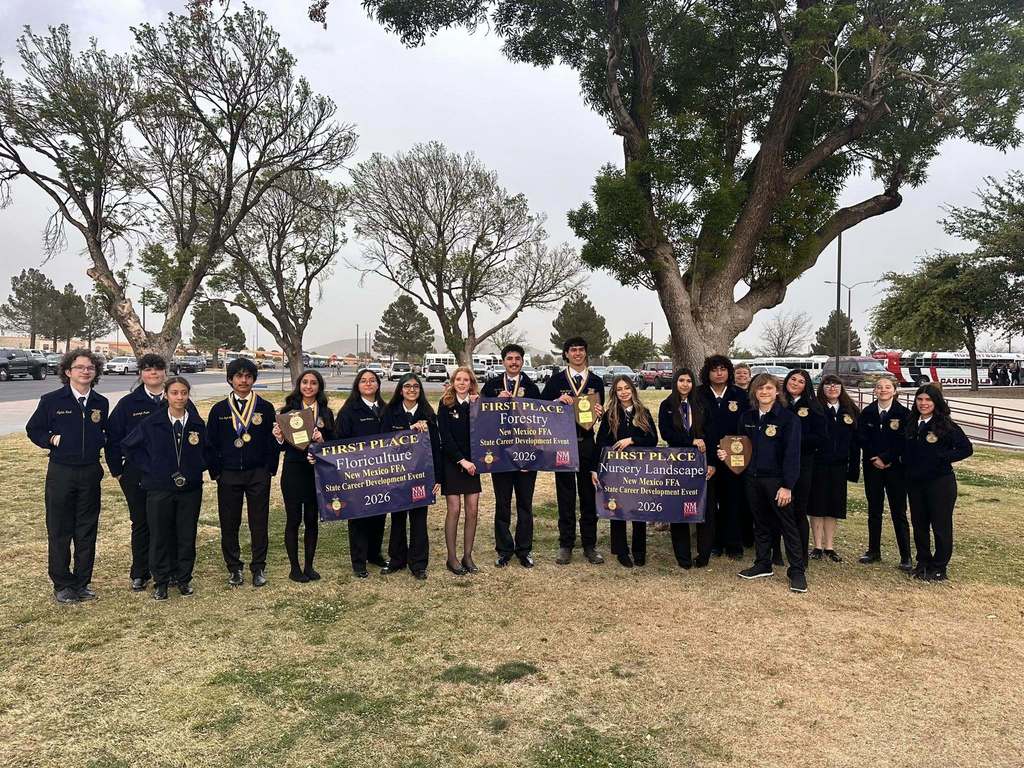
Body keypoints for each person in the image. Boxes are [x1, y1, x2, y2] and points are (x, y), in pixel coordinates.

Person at [26, 348, 109, 604]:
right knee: (60, 529)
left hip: (90, 471)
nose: (85, 371)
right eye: (80, 367)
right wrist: (50, 439)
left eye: (90, 368)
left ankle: (82, 582)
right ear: (68, 372)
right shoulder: (52, 400)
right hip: (61, 472)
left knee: (86, 530)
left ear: (95, 373)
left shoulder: (100, 403)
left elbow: (105, 432)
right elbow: (34, 429)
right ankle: (62, 584)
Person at [121, 376, 208, 600]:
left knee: (186, 534)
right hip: (159, 488)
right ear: (167, 395)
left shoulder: (196, 423)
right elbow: (129, 446)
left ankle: (183, 578)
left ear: (188, 395)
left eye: (183, 393)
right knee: (159, 535)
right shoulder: (152, 422)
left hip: (190, 489)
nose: (179, 397)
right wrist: (150, 467)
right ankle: (160, 580)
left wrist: (196, 467)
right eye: (175, 393)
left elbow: (207, 451)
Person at [719, 373, 806, 593]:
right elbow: (739, 448)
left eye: (768, 388)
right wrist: (726, 455)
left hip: (777, 481)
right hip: (752, 479)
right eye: (760, 389)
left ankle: (796, 571)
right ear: (754, 393)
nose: (764, 392)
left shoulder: (788, 419)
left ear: (777, 391)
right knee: (760, 523)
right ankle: (763, 563)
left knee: (788, 525)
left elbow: (792, 455)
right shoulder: (746, 417)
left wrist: (787, 485)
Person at [206, 357, 279, 588]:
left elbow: (273, 441)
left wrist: (269, 468)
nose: (244, 380)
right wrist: (217, 472)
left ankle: (258, 567)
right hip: (228, 475)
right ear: (230, 379)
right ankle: (234, 568)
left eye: (248, 376)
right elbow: (210, 444)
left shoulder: (265, 408)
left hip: (258, 473)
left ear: (254, 379)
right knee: (229, 522)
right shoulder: (219, 410)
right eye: (239, 376)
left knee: (259, 522)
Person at [106, 353, 172, 591]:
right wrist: (118, 471)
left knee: (167, 522)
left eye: (157, 369)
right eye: (147, 369)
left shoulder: (176, 398)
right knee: (141, 522)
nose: (153, 373)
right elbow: (112, 438)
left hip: (169, 475)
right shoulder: (128, 404)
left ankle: (167, 570)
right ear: (140, 374)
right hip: (136, 474)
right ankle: (140, 572)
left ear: (165, 372)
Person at [541, 336, 606, 565]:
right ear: (566, 354)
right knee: (566, 495)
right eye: (573, 350)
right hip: (563, 444)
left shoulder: (596, 381)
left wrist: (600, 412)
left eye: (581, 350)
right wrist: (557, 401)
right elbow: (541, 410)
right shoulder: (556, 380)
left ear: (586, 353)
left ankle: (590, 544)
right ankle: (566, 544)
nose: (577, 353)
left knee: (589, 495)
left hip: (587, 443)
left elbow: (600, 412)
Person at [903, 383, 973, 581]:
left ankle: (940, 567)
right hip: (915, 482)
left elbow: (966, 448)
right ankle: (923, 563)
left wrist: (942, 457)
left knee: (940, 526)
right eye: (920, 399)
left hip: (940, 483)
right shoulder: (911, 423)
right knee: (919, 524)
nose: (923, 403)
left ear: (936, 402)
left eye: (928, 400)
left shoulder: (945, 425)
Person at [481, 343, 542, 568]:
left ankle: (524, 550)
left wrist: (532, 456)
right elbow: (481, 417)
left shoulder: (532, 387)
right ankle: (504, 550)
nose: (513, 362)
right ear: (503, 361)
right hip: (500, 455)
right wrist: (494, 403)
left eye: (517, 358)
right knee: (502, 504)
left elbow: (541, 424)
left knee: (525, 505)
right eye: (509, 358)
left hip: (527, 457)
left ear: (522, 361)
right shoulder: (491, 386)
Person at [272, 369, 334, 583]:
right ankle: (294, 568)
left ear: (319, 387)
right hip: (293, 471)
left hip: (316, 473)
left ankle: (309, 565)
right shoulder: (287, 410)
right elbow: (278, 448)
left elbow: (333, 443)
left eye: (313, 383)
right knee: (293, 520)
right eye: (305, 382)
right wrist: (278, 438)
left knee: (311, 520)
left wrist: (322, 439)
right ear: (299, 385)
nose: (309, 386)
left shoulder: (326, 413)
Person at [593, 375, 658, 567]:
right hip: (616, 470)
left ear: (633, 390)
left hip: (638, 470)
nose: (624, 392)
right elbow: (601, 443)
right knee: (618, 507)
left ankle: (639, 550)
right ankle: (621, 550)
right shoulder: (610, 414)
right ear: (615, 392)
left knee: (638, 509)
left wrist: (632, 440)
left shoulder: (643, 412)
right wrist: (596, 469)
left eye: (627, 388)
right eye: (619, 389)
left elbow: (653, 440)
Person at [381, 372, 441, 580]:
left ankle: (418, 563)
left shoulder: (428, 413)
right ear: (400, 389)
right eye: (407, 386)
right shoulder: (390, 412)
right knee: (397, 518)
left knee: (418, 519)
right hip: (397, 476)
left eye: (415, 386)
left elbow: (436, 448)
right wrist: (409, 430)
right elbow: (384, 443)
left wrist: (437, 478)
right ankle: (396, 559)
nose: (411, 390)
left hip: (421, 476)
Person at [658, 367, 716, 568]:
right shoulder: (666, 405)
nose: (685, 384)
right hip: (677, 464)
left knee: (705, 509)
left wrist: (712, 463)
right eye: (681, 380)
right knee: (678, 509)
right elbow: (666, 434)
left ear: (693, 384)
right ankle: (683, 557)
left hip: (701, 463)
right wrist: (691, 440)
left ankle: (703, 555)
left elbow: (712, 432)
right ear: (675, 383)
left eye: (688, 381)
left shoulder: (702, 404)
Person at [695, 355, 749, 558]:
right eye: (714, 369)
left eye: (723, 369)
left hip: (733, 457)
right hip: (706, 457)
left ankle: (733, 543)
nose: (719, 373)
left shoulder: (739, 395)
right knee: (711, 501)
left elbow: (746, 429)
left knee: (733, 500)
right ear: (707, 373)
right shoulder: (698, 394)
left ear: (729, 371)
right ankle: (715, 542)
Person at [856, 377, 913, 569]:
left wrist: (887, 458)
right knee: (874, 510)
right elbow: (862, 438)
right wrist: (874, 457)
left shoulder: (904, 414)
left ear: (895, 391)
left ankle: (905, 556)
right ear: (874, 391)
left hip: (895, 469)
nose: (883, 390)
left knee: (899, 512)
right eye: (879, 387)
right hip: (873, 468)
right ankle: (873, 551)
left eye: (887, 387)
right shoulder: (867, 413)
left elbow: (904, 441)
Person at [337, 367, 388, 578]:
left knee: (379, 513)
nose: (368, 384)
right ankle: (359, 562)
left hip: (384, 471)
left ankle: (374, 554)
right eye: (364, 381)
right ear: (357, 386)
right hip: (357, 474)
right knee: (359, 516)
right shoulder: (349, 411)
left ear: (378, 384)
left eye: (372, 380)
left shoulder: (386, 409)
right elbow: (339, 441)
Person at [810, 374, 860, 562]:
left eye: (836, 385)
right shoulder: (816, 408)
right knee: (817, 505)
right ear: (822, 388)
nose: (832, 388)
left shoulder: (850, 410)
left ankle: (829, 546)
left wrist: (853, 466)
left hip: (840, 465)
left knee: (834, 506)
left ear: (841, 388)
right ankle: (817, 546)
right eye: (828, 385)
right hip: (819, 465)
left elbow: (856, 442)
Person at [777, 369, 825, 564]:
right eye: (793, 379)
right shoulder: (777, 403)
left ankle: (801, 556)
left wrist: (794, 442)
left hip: (803, 464)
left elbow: (821, 437)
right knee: (777, 509)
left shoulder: (813, 406)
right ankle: (776, 554)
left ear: (806, 386)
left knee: (798, 511)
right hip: (777, 464)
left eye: (801, 381)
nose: (795, 383)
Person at [437, 366, 482, 575]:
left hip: (473, 464)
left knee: (472, 510)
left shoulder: (477, 404)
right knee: (454, 510)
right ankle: (452, 558)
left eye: (466, 380)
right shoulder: (445, 404)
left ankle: (468, 556)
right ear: (453, 382)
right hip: (453, 463)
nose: (462, 383)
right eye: (458, 379)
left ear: (471, 383)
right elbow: (445, 439)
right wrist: (462, 461)